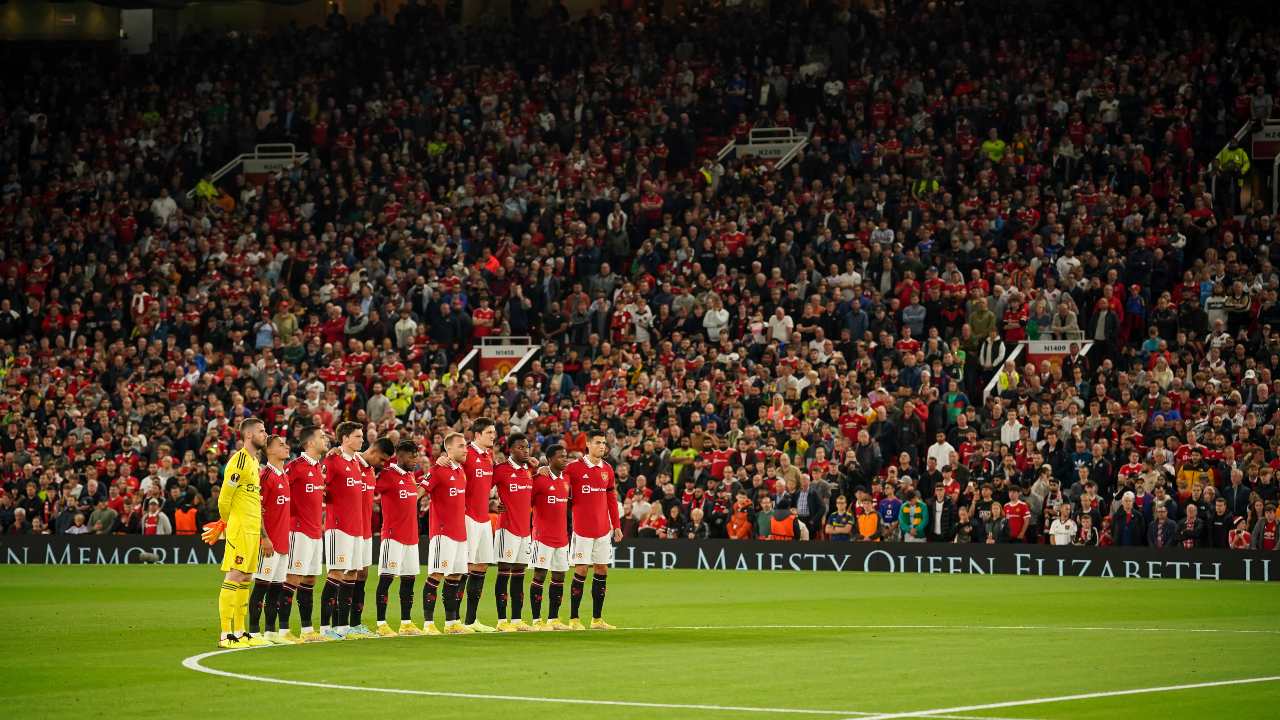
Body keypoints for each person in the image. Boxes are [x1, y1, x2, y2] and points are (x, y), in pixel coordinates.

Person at [200, 417, 270, 649]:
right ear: (248, 435)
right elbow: (224, 499)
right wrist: (228, 524)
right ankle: (225, 635)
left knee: (246, 579)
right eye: (261, 431)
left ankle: (240, 633)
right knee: (234, 576)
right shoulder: (238, 461)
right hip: (240, 528)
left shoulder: (254, 460)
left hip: (252, 529)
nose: (265, 435)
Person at [566, 429, 622, 630]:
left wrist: (616, 525)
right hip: (581, 529)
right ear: (588, 445)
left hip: (603, 529)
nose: (602, 446)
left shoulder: (608, 469)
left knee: (602, 569)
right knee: (581, 569)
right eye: (598, 442)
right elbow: (557, 481)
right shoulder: (573, 468)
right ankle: (574, 619)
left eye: (604, 443)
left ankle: (597, 620)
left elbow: (611, 499)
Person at [279, 425, 331, 643]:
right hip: (297, 530)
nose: (326, 439)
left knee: (309, 579)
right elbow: (279, 491)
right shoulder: (295, 467)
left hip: (314, 531)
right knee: (292, 578)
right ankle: (282, 631)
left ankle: (307, 630)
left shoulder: (318, 468)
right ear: (310, 442)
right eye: (322, 437)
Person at [372, 439, 429, 637]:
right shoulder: (387, 475)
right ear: (401, 457)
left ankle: (406, 624)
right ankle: (381, 624)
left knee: (408, 581)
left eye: (416, 456)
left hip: (412, 538)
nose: (415, 460)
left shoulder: (410, 476)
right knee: (386, 580)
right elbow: (370, 491)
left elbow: (414, 497)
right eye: (412, 457)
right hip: (393, 537)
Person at [318, 421, 368, 640]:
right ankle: (323, 628)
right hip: (339, 527)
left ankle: (342, 627)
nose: (362, 439)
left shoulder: (356, 461)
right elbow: (319, 487)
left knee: (352, 575)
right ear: (345, 438)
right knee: (336, 573)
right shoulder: (332, 460)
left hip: (356, 527)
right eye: (358, 436)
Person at [246, 435, 297, 644]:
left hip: (283, 543)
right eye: (281, 445)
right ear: (270, 451)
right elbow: (255, 507)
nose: (286, 446)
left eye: (286, 443)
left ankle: (270, 632)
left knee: (276, 587)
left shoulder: (283, 475)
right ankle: (253, 632)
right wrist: (264, 538)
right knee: (262, 586)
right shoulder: (265, 476)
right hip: (268, 543)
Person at [421, 432, 472, 634]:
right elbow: (421, 489)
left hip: (460, 532)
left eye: (466, 446)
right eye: (461, 446)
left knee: (456, 576)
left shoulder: (462, 472)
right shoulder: (439, 470)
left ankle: (451, 624)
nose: (465, 449)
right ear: (449, 449)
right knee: (436, 574)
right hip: (443, 533)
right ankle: (428, 624)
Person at [346, 435, 394, 638]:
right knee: (346, 574)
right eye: (382, 459)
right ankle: (340, 624)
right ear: (372, 451)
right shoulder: (351, 462)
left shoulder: (370, 470)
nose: (382, 464)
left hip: (365, 530)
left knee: (363, 575)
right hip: (348, 529)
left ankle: (355, 624)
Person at [492, 432, 538, 632]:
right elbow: (480, 487)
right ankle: (502, 621)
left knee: (519, 574)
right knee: (504, 572)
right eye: (520, 447)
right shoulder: (501, 470)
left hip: (524, 530)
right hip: (507, 528)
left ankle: (517, 620)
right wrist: (492, 505)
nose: (525, 450)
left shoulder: (530, 470)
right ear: (511, 450)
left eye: (527, 447)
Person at [528, 444, 573, 631]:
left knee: (559, 575)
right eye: (561, 457)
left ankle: (553, 619)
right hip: (542, 536)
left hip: (562, 537)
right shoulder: (539, 479)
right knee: (540, 574)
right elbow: (524, 498)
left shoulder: (567, 479)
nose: (565, 459)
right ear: (550, 459)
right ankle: (536, 620)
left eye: (566, 456)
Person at [462, 417, 499, 633]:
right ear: (477, 435)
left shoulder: (489, 456)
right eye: (489, 433)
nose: (493, 436)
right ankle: (453, 621)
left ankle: (471, 620)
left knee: (482, 566)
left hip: (484, 518)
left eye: (494, 432)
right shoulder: (465, 453)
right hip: (467, 517)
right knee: (464, 568)